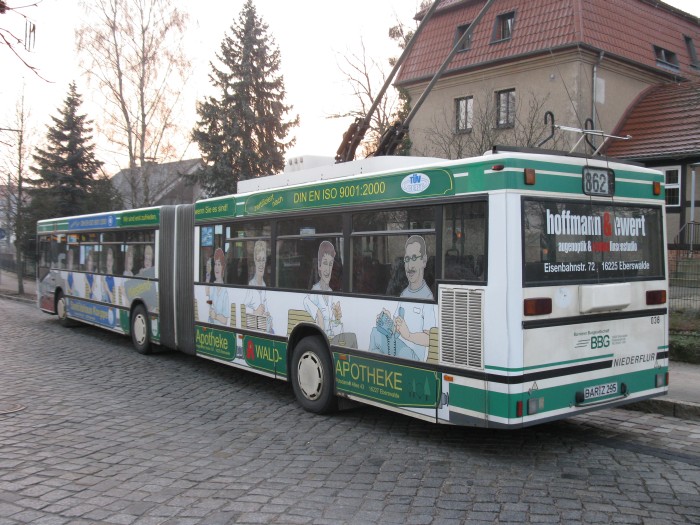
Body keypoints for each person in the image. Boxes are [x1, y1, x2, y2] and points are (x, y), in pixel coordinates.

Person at [369, 235, 436, 361]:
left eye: (414, 258)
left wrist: (409, 335)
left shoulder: (427, 296)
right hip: (398, 346)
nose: (410, 266)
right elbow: (397, 327)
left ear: (424, 261)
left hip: (413, 355)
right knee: (376, 332)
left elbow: (430, 338)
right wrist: (388, 321)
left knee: (378, 338)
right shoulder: (405, 293)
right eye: (407, 259)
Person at [303, 241, 343, 338]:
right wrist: (318, 313)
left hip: (330, 338)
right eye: (325, 263)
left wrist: (337, 318)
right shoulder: (314, 291)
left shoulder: (330, 292)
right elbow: (305, 301)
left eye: (330, 264)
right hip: (320, 338)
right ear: (319, 266)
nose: (327, 269)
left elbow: (332, 325)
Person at [244, 240, 272, 332]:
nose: (261, 264)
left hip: (263, 331)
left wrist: (268, 315)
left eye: (263, 260)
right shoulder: (251, 285)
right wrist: (256, 313)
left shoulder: (264, 285)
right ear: (255, 261)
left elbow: (266, 310)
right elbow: (243, 317)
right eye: (259, 260)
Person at [207, 247, 229, 325]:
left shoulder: (225, 292)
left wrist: (215, 316)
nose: (216, 267)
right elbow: (207, 294)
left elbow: (225, 320)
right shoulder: (213, 287)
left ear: (223, 268)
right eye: (215, 264)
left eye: (219, 264)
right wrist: (208, 273)